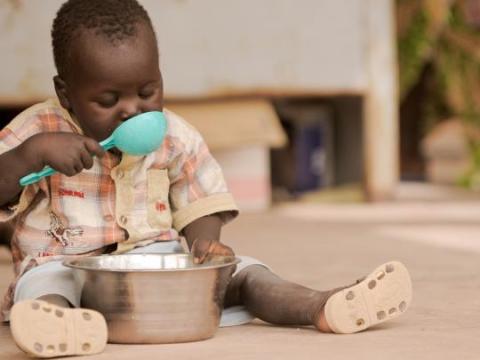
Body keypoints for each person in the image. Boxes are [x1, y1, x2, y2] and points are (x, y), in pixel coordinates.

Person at [0, 0, 412, 357]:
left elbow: (200, 197)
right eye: (108, 100)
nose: (132, 110)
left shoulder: (174, 134)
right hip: (65, 266)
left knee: (245, 272)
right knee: (45, 288)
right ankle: (60, 328)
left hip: (157, 270)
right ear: (67, 93)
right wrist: (27, 156)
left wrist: (203, 243)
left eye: (147, 91)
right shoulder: (37, 130)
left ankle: (324, 305)